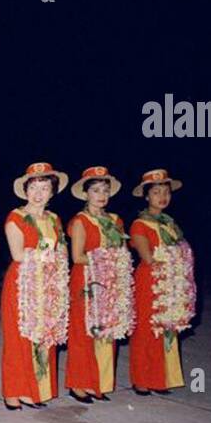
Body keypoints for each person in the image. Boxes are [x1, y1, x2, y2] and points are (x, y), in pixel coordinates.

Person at [0, 162, 69, 410]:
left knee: (44, 335)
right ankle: (14, 391)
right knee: (19, 338)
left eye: (45, 187)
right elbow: (18, 254)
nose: (39, 193)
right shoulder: (16, 217)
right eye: (34, 188)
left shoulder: (54, 219)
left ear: (52, 192)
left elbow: (61, 250)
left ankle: (37, 389)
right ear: (25, 190)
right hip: (23, 283)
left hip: (48, 283)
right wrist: (46, 255)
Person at [66, 166, 133, 402]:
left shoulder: (116, 220)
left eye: (105, 190)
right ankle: (79, 384)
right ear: (86, 194)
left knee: (107, 330)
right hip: (87, 279)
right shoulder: (80, 221)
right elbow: (77, 257)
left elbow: (123, 251)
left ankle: (101, 383)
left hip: (111, 280)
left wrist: (119, 263)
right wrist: (106, 260)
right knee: (84, 332)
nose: (101, 195)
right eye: (95, 190)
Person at [128, 168, 195, 394]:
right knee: (147, 330)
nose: (162, 197)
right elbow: (148, 257)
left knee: (167, 326)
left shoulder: (170, 224)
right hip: (151, 281)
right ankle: (142, 379)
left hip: (170, 280)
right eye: (156, 192)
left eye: (165, 192)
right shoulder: (139, 224)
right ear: (146, 196)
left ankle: (161, 379)